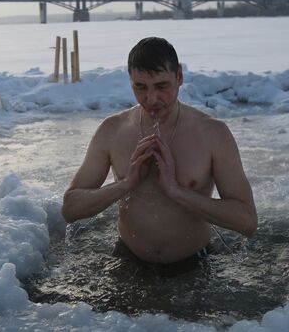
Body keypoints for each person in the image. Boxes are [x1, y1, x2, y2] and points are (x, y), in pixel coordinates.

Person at [61, 37, 257, 265]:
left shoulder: (212, 133)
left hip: (193, 267)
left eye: (161, 86)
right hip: (128, 262)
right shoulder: (112, 130)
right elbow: (70, 208)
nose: (151, 99)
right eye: (140, 87)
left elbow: (247, 221)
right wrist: (125, 184)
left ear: (179, 77)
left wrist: (176, 191)